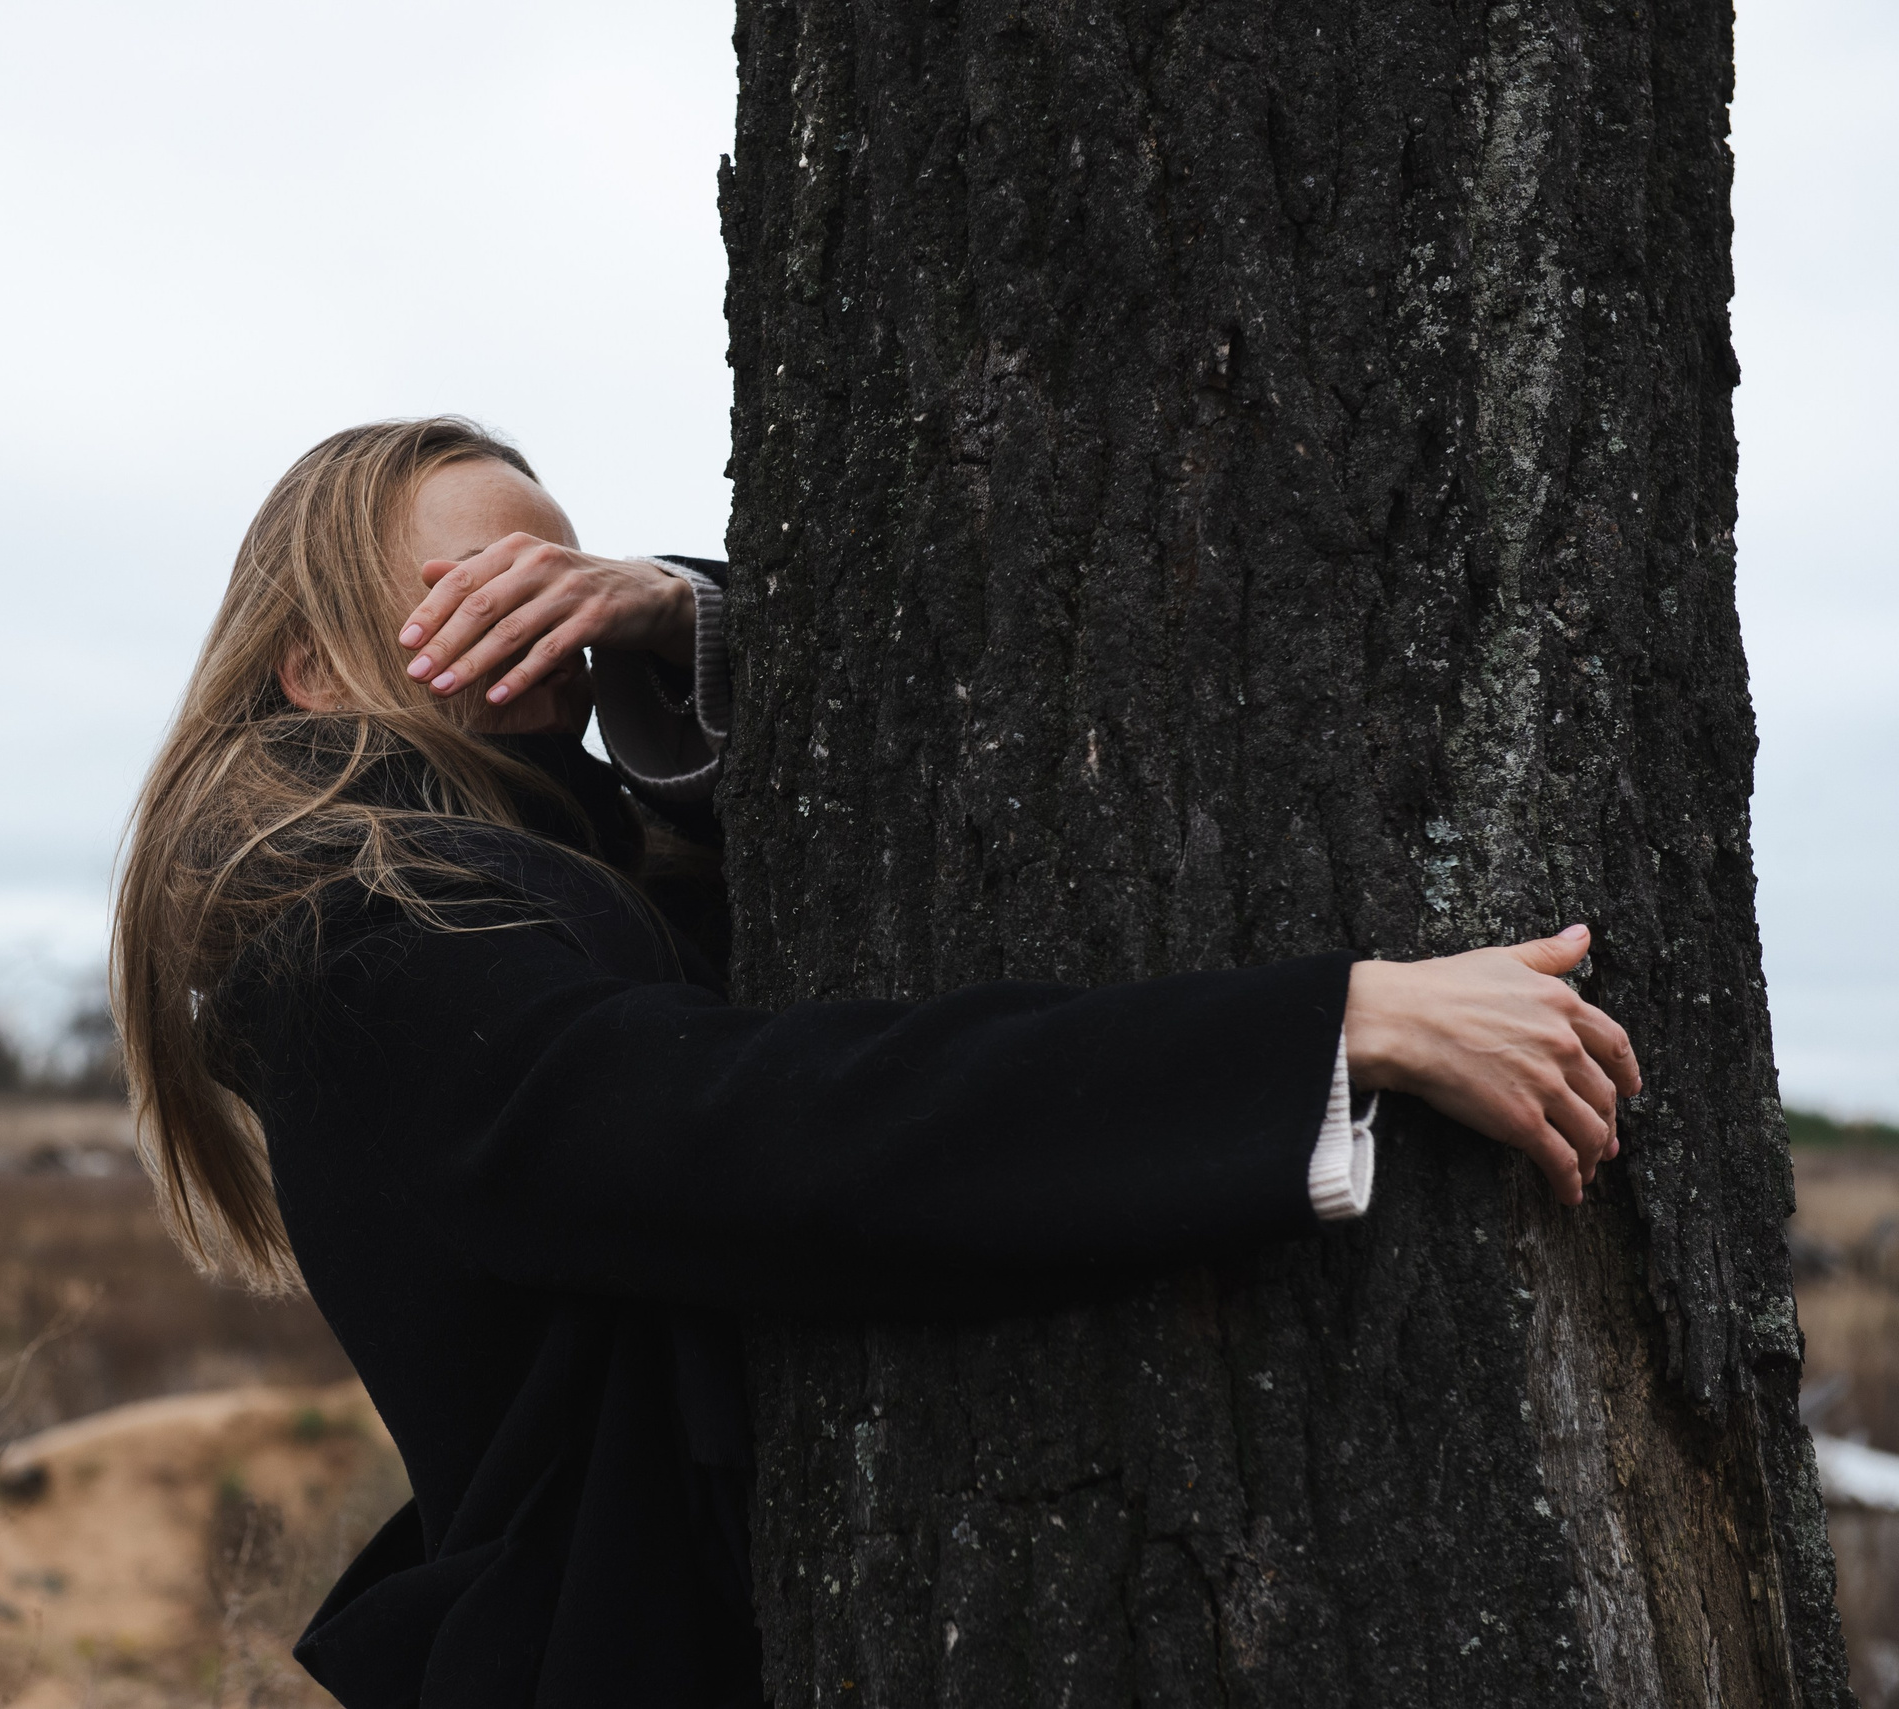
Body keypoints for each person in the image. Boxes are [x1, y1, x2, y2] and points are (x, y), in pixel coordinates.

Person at [111, 417, 1639, 1708]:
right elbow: (764, 1130)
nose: (546, 610)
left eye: (561, 578)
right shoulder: (361, 923)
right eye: (475, 585)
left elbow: (830, 821)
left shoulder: (527, 870)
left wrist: (674, 615)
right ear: (313, 665)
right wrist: (1333, 1026)